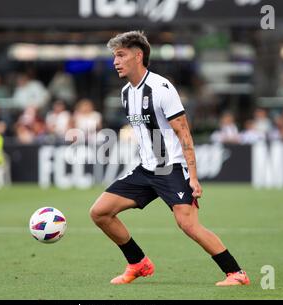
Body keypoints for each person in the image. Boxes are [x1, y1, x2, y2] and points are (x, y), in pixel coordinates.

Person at [89, 31, 250, 286]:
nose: (115, 61)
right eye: (114, 56)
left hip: (171, 167)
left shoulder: (161, 88)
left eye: (120, 55)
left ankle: (236, 273)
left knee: (188, 225)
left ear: (138, 55)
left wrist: (193, 177)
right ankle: (138, 263)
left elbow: (183, 132)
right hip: (146, 169)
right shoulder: (125, 93)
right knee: (100, 212)